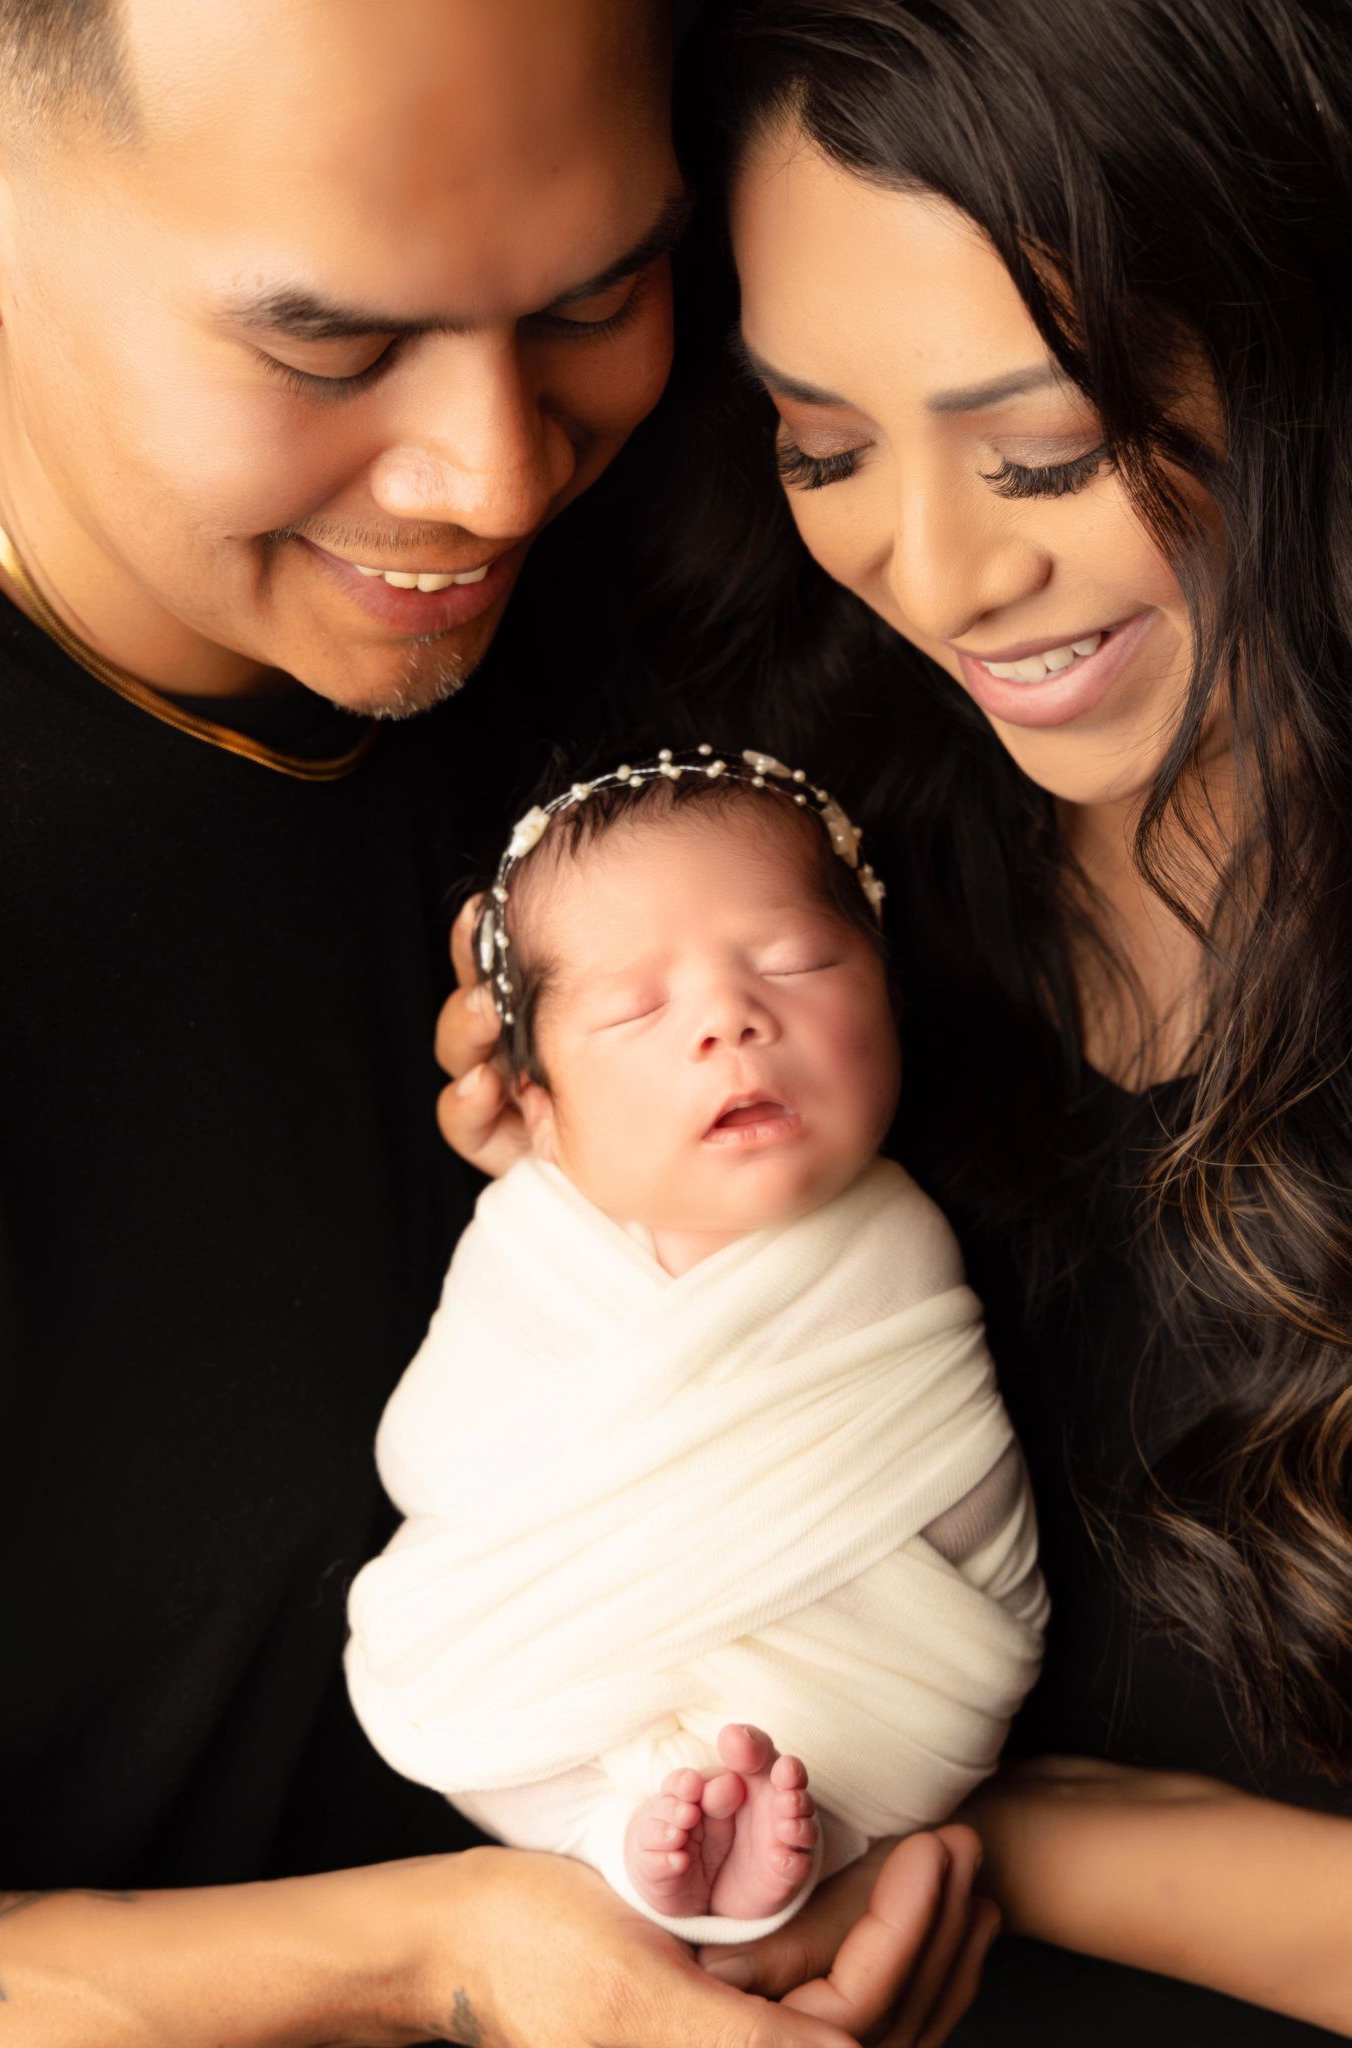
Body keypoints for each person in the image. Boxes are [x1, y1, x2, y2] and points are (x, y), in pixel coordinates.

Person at [0, 1, 995, 2042]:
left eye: (596, 293)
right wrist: (444, 1961)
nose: (493, 476)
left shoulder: (739, 551)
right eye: (327, 347)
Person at [438, 0, 1352, 2039]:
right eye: (823, 446)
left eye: (1043, 450)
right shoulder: (836, 851)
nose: (932, 571)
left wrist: (999, 1844)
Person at [346, 751, 1047, 1943]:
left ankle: (799, 1830)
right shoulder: (535, 1242)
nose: (731, 1016)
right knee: (476, 1703)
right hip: (560, 1667)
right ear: (540, 1106)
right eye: (634, 1009)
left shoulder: (897, 1237)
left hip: (871, 1693)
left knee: (932, 1667)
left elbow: (948, 1464)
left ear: (888, 993)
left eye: (796, 962)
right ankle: (616, 1833)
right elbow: (444, 1468)